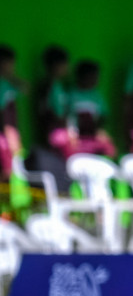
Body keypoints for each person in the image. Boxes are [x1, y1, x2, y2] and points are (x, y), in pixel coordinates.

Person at [28, 45, 72, 190]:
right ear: (56, 66)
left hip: (48, 138)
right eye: (65, 64)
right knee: (59, 179)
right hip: (55, 139)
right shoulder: (53, 86)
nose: (67, 68)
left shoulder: (48, 85)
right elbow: (57, 114)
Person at [67, 59, 116, 158]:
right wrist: (71, 133)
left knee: (110, 149)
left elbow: (103, 116)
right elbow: (67, 117)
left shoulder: (97, 96)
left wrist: (101, 131)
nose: (96, 80)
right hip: (76, 137)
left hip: (93, 136)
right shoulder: (71, 95)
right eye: (92, 77)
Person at [0, 45, 24, 183]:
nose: (11, 67)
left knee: (9, 171)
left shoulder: (8, 83)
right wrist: (9, 132)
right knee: (6, 171)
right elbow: (2, 112)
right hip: (3, 135)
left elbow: (25, 87)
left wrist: (10, 76)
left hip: (7, 133)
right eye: (8, 64)